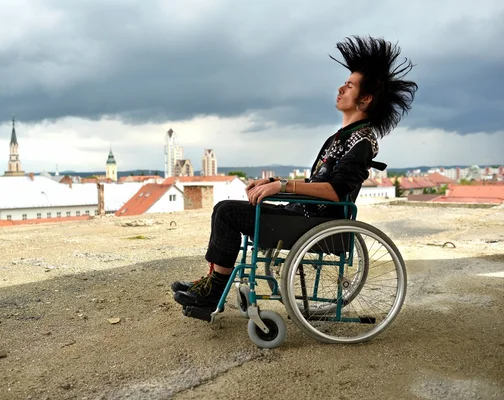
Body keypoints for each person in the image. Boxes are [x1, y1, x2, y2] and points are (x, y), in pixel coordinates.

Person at [172, 35, 418, 311]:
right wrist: (274, 181)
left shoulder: (361, 142)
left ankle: (214, 292)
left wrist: (284, 186)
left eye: (349, 86)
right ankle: (212, 283)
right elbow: (318, 182)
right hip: (304, 214)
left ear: (365, 100)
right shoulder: (341, 137)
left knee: (228, 212)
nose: (340, 88)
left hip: (314, 222)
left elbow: (335, 191)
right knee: (224, 210)